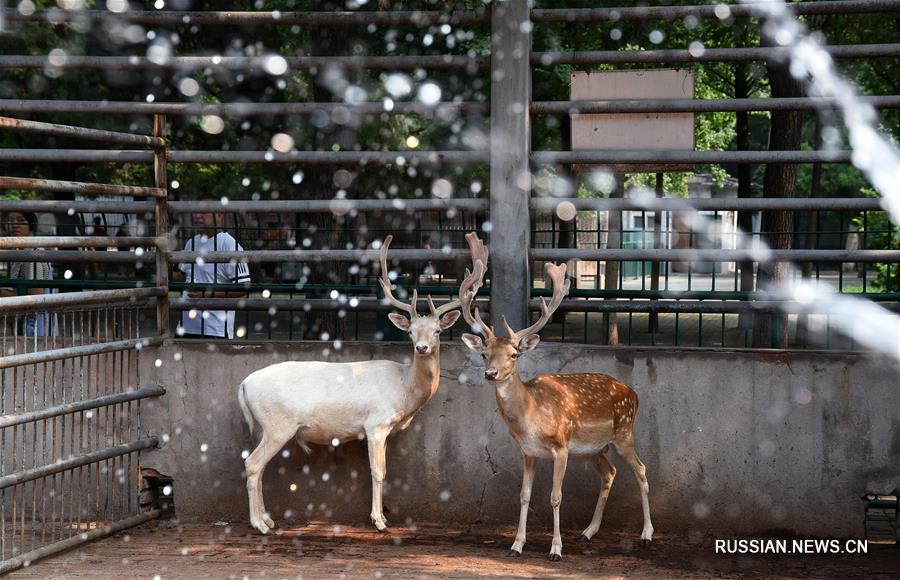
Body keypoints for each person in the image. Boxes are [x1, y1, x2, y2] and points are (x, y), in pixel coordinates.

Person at [172, 197, 251, 339]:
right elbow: (178, 277)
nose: (197, 216)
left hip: (215, 329)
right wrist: (169, 257)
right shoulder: (191, 243)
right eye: (196, 211)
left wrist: (208, 294)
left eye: (204, 211)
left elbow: (243, 286)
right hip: (185, 326)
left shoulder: (229, 245)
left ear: (219, 215)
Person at [1, 211, 55, 336]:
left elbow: (36, 296)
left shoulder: (32, 254)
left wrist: (2, 293)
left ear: (31, 224)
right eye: (11, 221)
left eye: (20, 221)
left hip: (34, 328)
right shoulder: (20, 252)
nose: (14, 225)